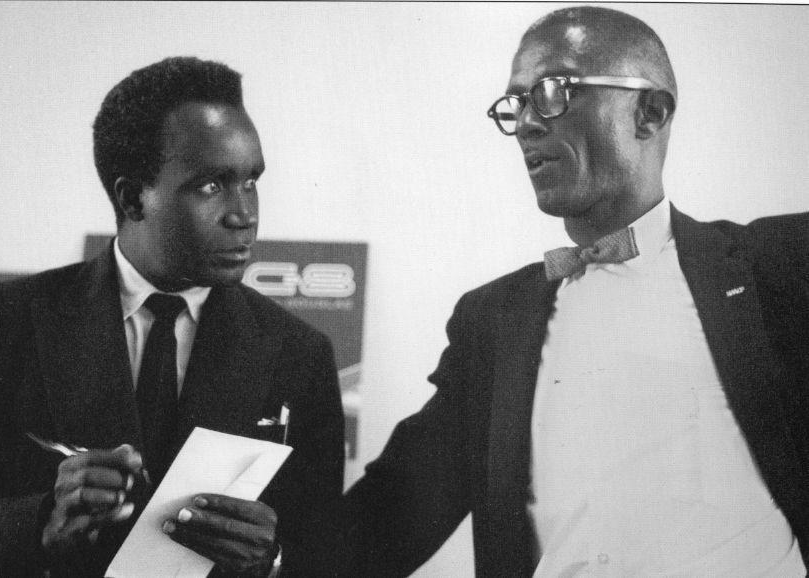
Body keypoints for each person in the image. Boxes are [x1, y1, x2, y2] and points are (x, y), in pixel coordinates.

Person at [343, 6, 808, 576]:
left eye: (553, 91)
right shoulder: (493, 321)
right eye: (516, 105)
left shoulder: (779, 266)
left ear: (649, 111)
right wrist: (271, 557)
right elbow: (396, 510)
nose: (527, 125)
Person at [0, 56, 345, 577]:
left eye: (251, 180)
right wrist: (40, 524)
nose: (244, 214)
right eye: (212, 186)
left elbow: (327, 555)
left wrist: (272, 560)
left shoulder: (299, 354)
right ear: (132, 197)